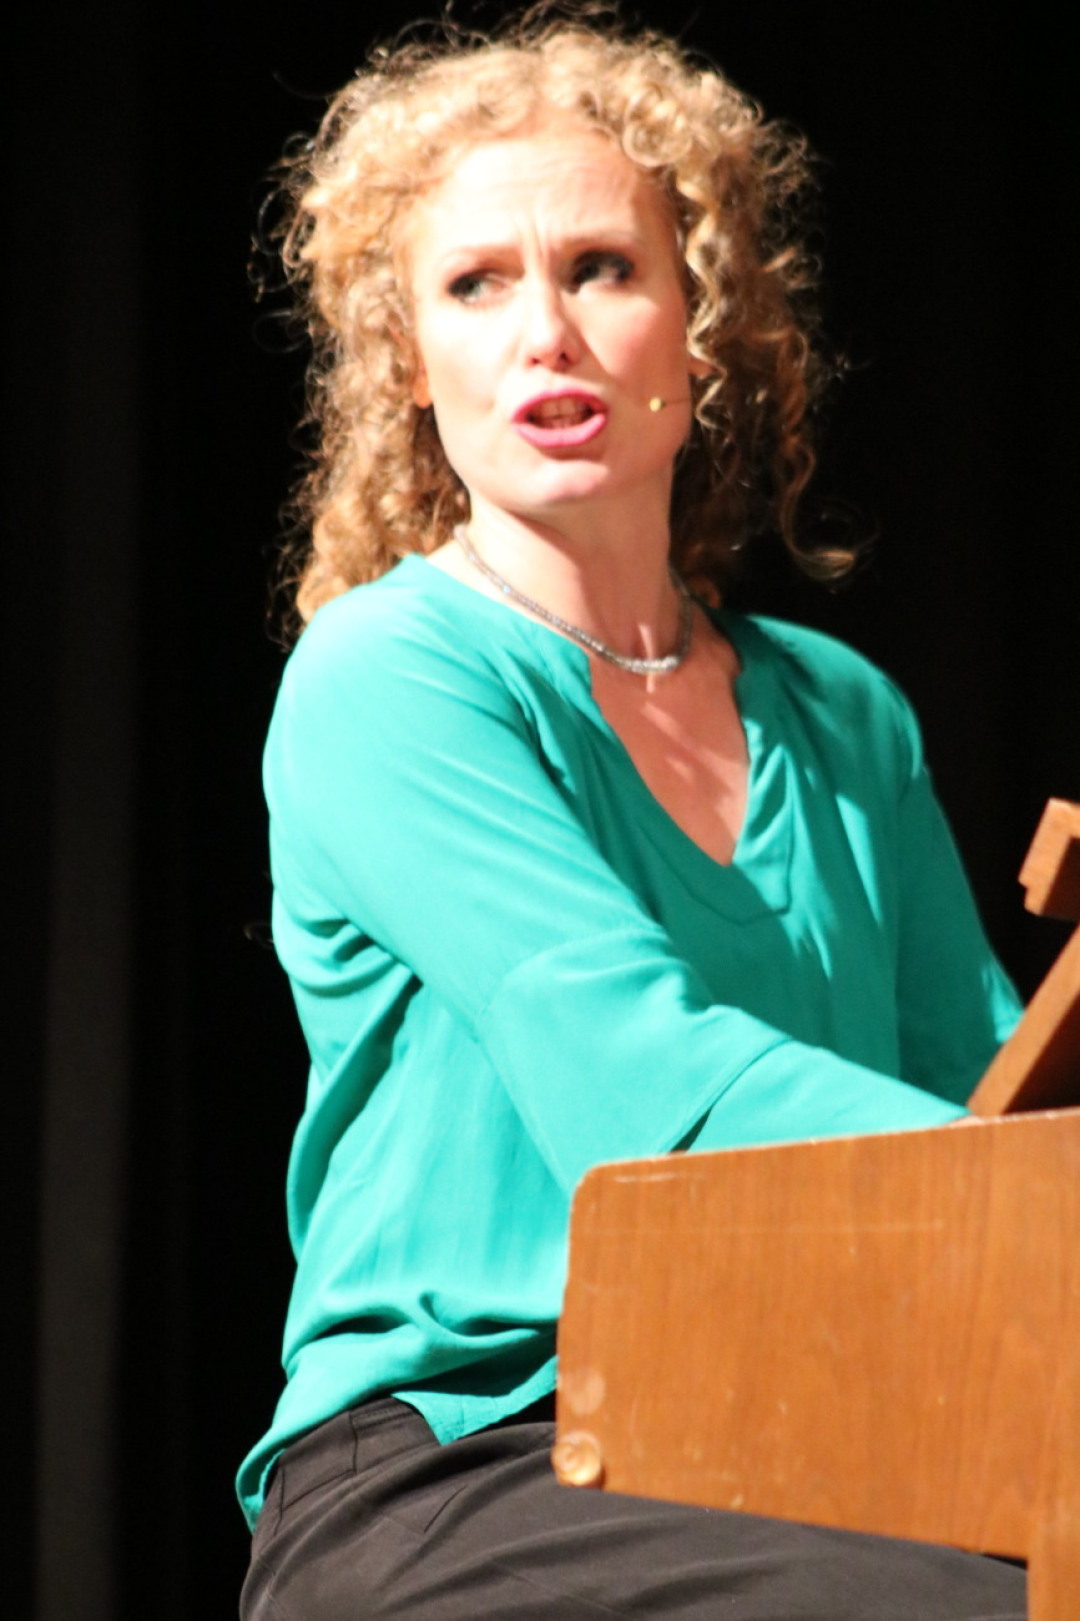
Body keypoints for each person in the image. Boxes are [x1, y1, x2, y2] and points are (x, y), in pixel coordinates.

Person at [239, 11, 1026, 1617]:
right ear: (412, 365)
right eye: (476, 285)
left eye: (603, 269)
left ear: (701, 329)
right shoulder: (389, 674)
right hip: (470, 1458)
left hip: (823, 1437)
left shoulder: (843, 713)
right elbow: (638, 1085)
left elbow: (990, 1108)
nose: (548, 331)